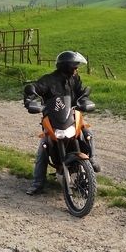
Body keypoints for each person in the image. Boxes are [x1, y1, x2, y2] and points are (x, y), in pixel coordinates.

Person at [23, 50, 101, 195]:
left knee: (88, 133)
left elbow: (80, 94)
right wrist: (29, 97)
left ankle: (92, 159)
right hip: (53, 120)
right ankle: (37, 183)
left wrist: (84, 100)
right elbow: (35, 88)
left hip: (70, 116)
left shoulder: (75, 79)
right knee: (44, 147)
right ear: (66, 66)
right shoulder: (48, 80)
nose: (76, 69)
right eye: (74, 67)